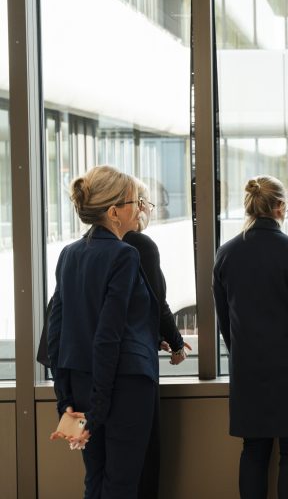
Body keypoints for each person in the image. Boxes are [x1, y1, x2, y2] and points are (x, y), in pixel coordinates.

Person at [213, 175, 288, 499]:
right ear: (280, 207)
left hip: (249, 374)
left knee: (253, 452)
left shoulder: (226, 254)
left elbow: (225, 323)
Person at [47, 165, 160, 498]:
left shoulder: (69, 254)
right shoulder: (125, 255)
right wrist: (96, 412)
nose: (139, 209)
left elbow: (56, 332)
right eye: (134, 202)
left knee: (94, 479)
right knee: (121, 484)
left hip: (81, 384)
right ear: (114, 212)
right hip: (124, 385)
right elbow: (108, 335)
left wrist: (65, 401)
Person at [124, 178, 192, 499]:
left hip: (99, 369)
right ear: (138, 206)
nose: (150, 211)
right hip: (135, 368)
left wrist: (155, 337)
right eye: (149, 204)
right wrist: (176, 343)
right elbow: (156, 302)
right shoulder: (140, 245)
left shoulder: (87, 246)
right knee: (144, 457)